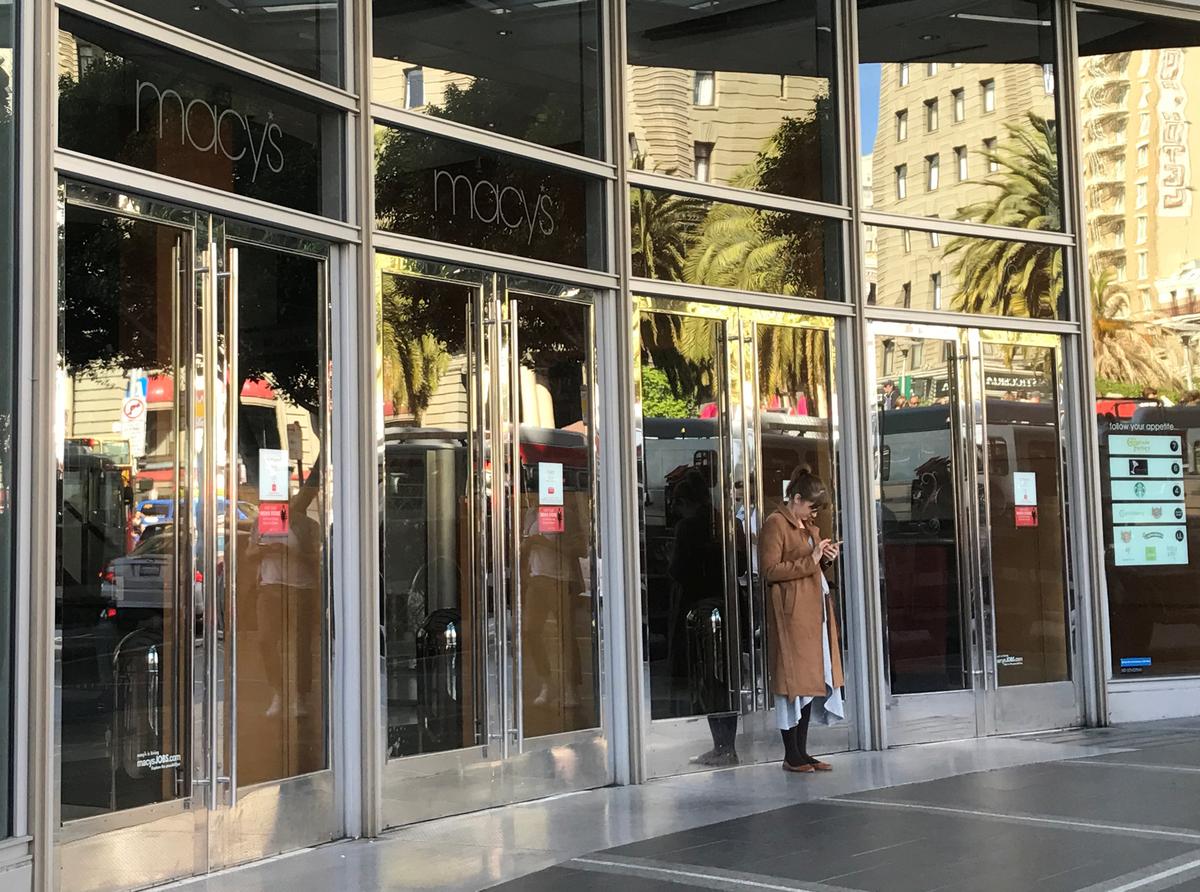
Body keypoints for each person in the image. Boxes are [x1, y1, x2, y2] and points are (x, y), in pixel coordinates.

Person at [759, 468, 845, 773]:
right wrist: (811, 560)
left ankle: (802, 751)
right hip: (792, 613)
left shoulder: (806, 526)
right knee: (792, 681)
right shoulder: (775, 524)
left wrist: (826, 556)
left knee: (811, 679)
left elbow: (814, 564)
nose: (813, 512)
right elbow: (770, 571)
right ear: (795, 499)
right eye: (810, 506)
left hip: (814, 611)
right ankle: (791, 753)